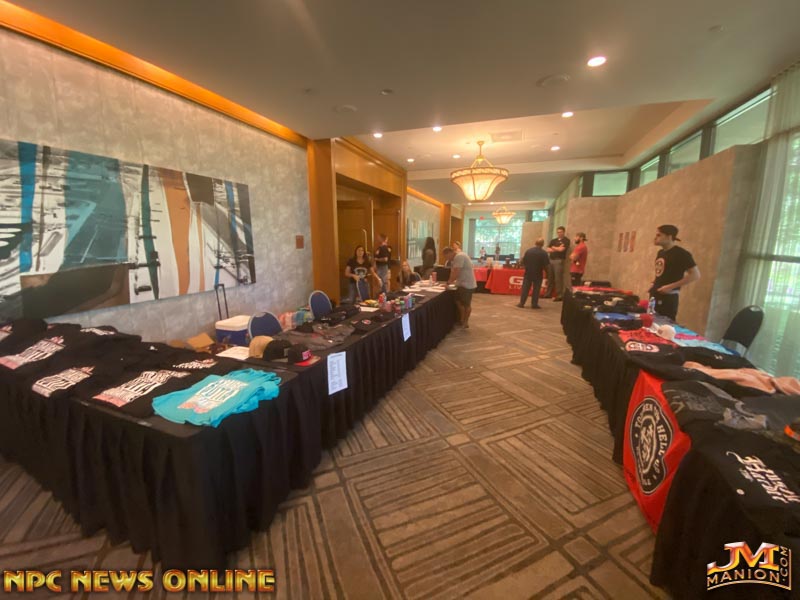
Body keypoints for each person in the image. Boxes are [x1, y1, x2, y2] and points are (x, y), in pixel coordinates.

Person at [649, 224, 700, 321]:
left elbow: (695, 275)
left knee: (665, 326)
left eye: (659, 235)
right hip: (655, 295)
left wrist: (670, 287)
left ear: (669, 237)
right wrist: (654, 282)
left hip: (669, 298)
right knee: (652, 323)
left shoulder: (681, 254)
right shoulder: (661, 253)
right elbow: (664, 272)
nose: (655, 238)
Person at [443, 246, 476, 328]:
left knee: (466, 304)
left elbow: (456, 272)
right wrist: (449, 282)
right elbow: (453, 271)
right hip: (460, 284)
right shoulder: (455, 259)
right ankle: (461, 320)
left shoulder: (459, 256)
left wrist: (448, 283)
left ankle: (466, 322)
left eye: (446, 256)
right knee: (458, 302)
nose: (447, 259)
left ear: (450, 253)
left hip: (467, 284)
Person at [517, 238, 550, 309]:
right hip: (538, 273)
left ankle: (521, 303)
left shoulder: (528, 251)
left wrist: (526, 267)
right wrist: (548, 274)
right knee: (536, 289)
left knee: (525, 288)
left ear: (535, 243)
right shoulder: (544, 253)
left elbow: (523, 261)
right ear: (543, 244)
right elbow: (546, 265)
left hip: (528, 272)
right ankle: (534, 304)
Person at [545, 226, 570, 301]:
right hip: (551, 260)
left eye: (560, 232)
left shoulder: (566, 240)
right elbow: (547, 249)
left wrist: (553, 248)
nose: (559, 233)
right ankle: (548, 293)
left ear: (564, 232)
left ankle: (559, 295)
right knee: (550, 277)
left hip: (559, 260)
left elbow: (561, 250)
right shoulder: (553, 240)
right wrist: (557, 248)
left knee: (558, 278)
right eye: (558, 232)